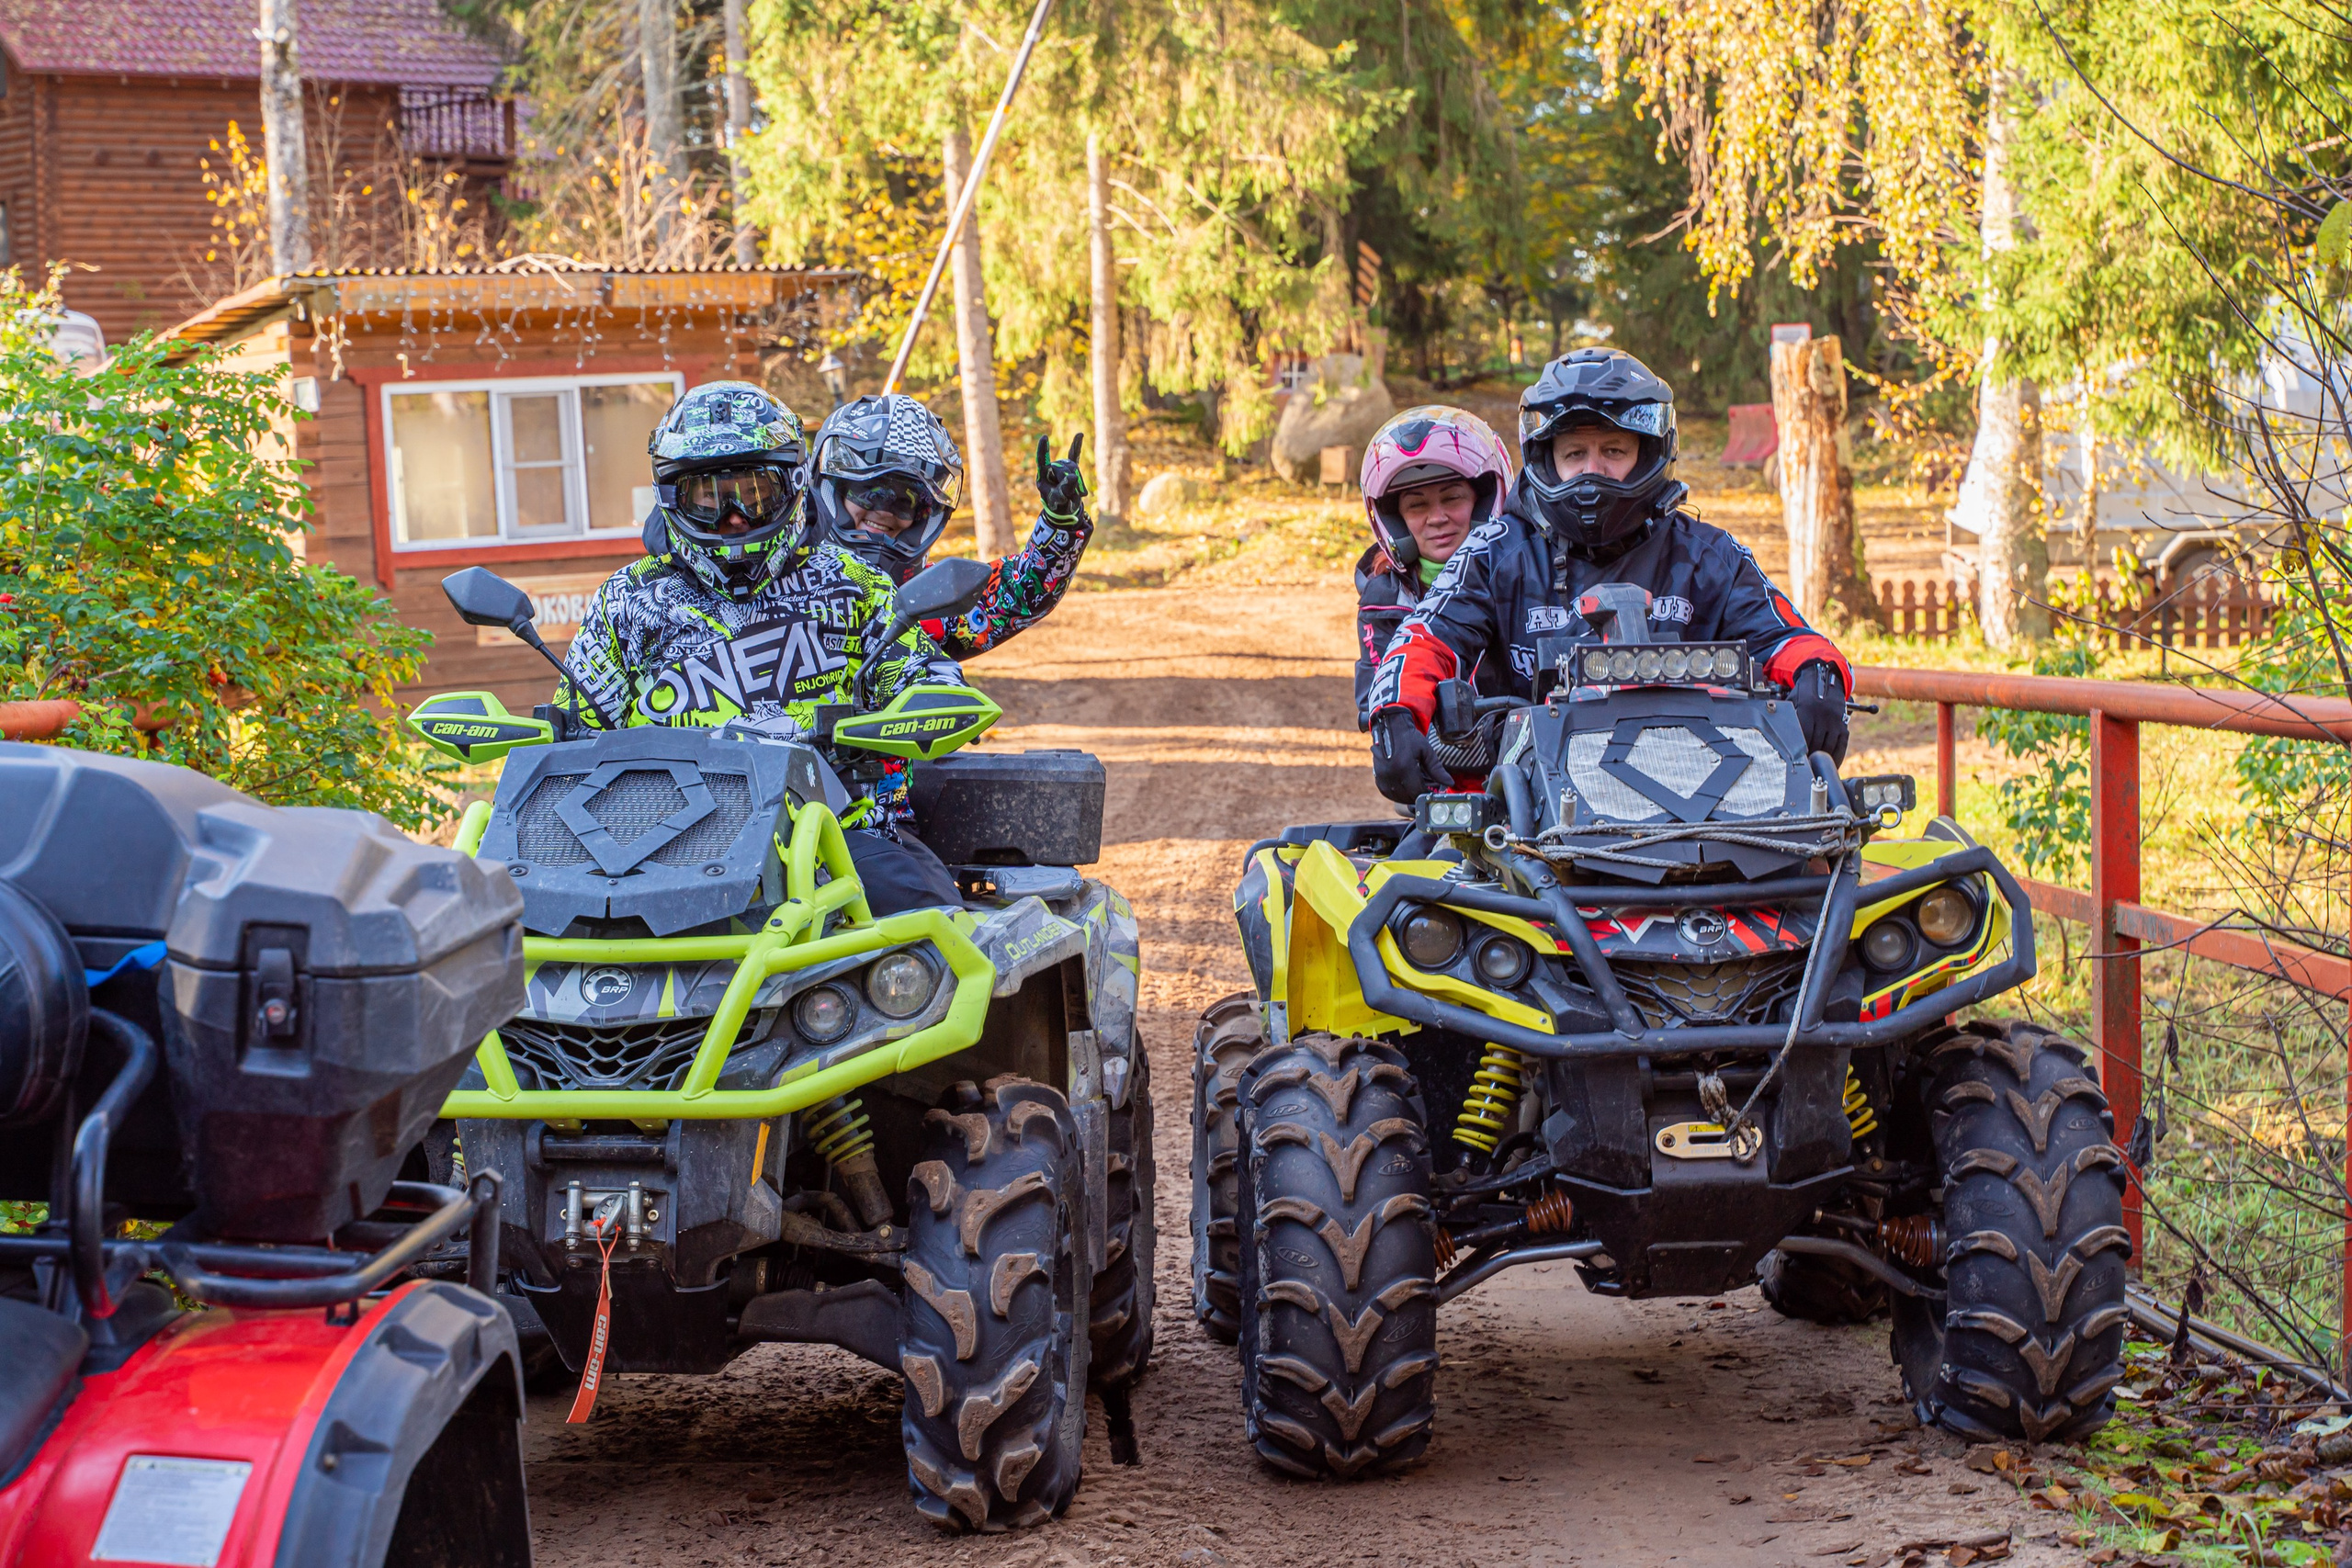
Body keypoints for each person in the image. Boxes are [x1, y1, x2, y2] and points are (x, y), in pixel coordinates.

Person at [1363, 347, 1852, 806]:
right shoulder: (1496, 551)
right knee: (1415, 869)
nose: (1591, 472)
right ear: (1547, 460)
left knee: (1828, 856)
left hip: (1709, 798)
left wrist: (1820, 674)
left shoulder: (1708, 554)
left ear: (1649, 451)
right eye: (1574, 454)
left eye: (1613, 451)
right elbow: (1426, 635)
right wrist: (1395, 712)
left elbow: (1787, 635)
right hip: (1529, 807)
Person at [557, 379, 965, 913]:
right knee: (531, 928)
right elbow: (568, 733)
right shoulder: (630, 599)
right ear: (673, 497)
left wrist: (931, 697)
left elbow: (921, 674)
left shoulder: (853, 583)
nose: (734, 518)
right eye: (709, 496)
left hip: (834, 838)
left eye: (752, 493)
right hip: (653, 847)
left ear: (792, 486)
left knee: (933, 923)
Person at [808, 392, 1092, 658]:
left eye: (905, 501)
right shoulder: (785, 584)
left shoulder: (926, 599)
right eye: (868, 492)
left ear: (923, 516)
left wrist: (1061, 523)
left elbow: (1017, 594)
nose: (884, 510)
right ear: (832, 490)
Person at [1352, 406, 1516, 774]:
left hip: (1532, 764)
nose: (1437, 517)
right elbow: (1375, 696)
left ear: (1483, 501)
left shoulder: (1527, 574)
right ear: (1394, 520)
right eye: (1417, 505)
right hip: (1442, 776)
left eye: (1453, 498)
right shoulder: (1383, 599)